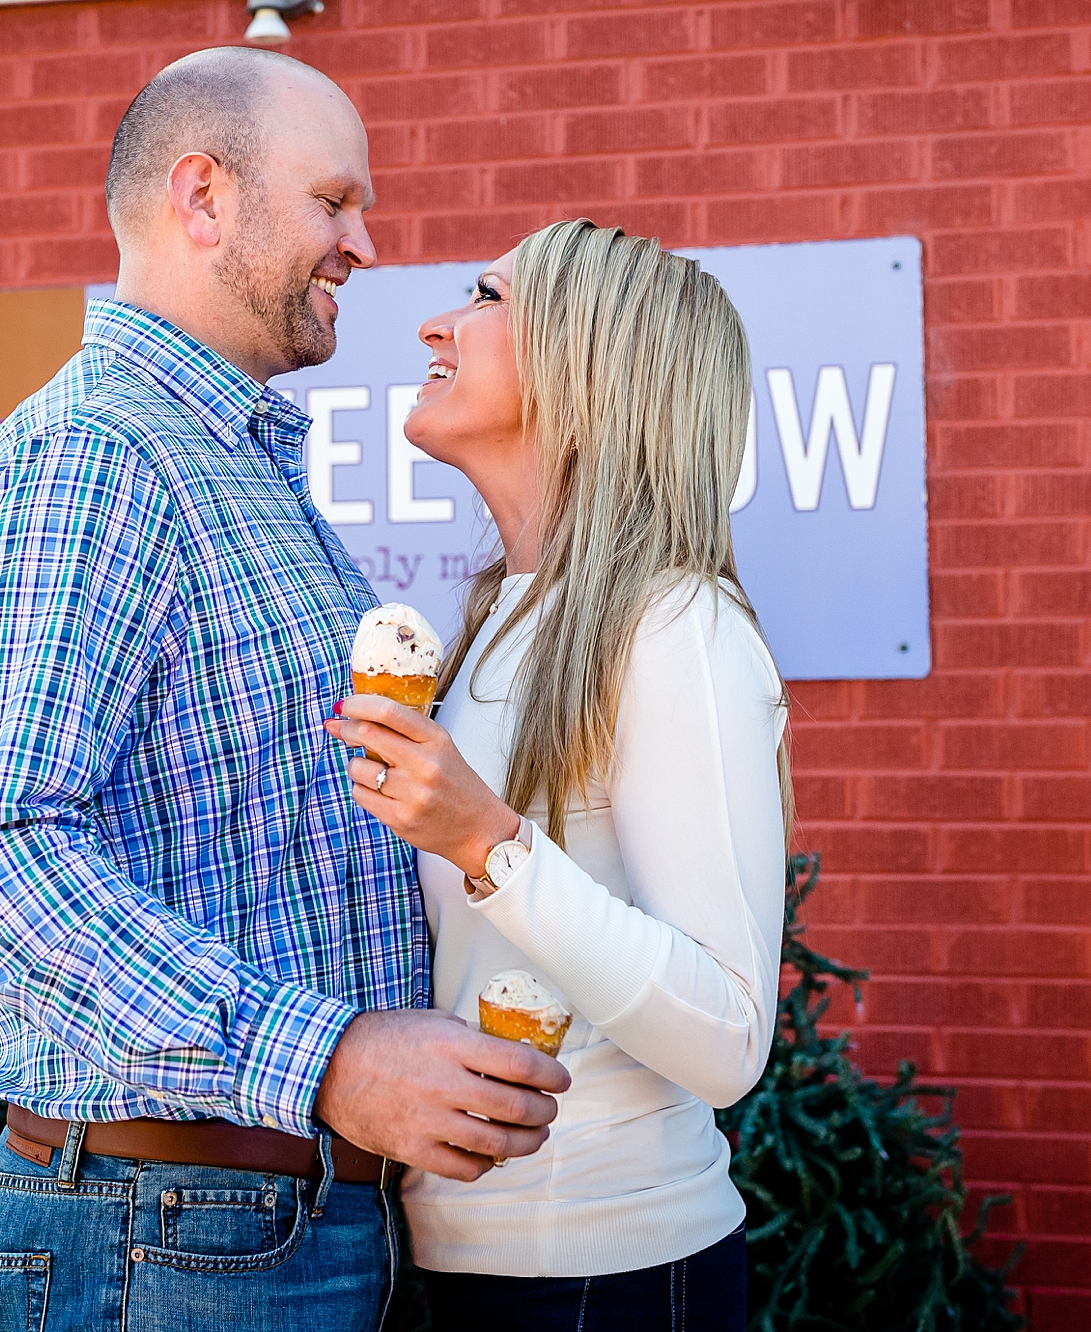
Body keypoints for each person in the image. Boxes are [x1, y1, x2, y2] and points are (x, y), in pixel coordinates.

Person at [0, 48, 568, 1332]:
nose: (363, 244)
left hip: (264, 1228)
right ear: (201, 197)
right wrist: (324, 1060)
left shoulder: (244, 469)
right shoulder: (92, 458)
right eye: (334, 201)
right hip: (158, 1236)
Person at [325, 220, 791, 1329]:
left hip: (606, 1275)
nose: (435, 324)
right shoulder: (493, 622)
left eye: (486, 299)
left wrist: (486, 841)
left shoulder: (674, 624)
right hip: (451, 1258)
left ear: (588, 367)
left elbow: (727, 1038)